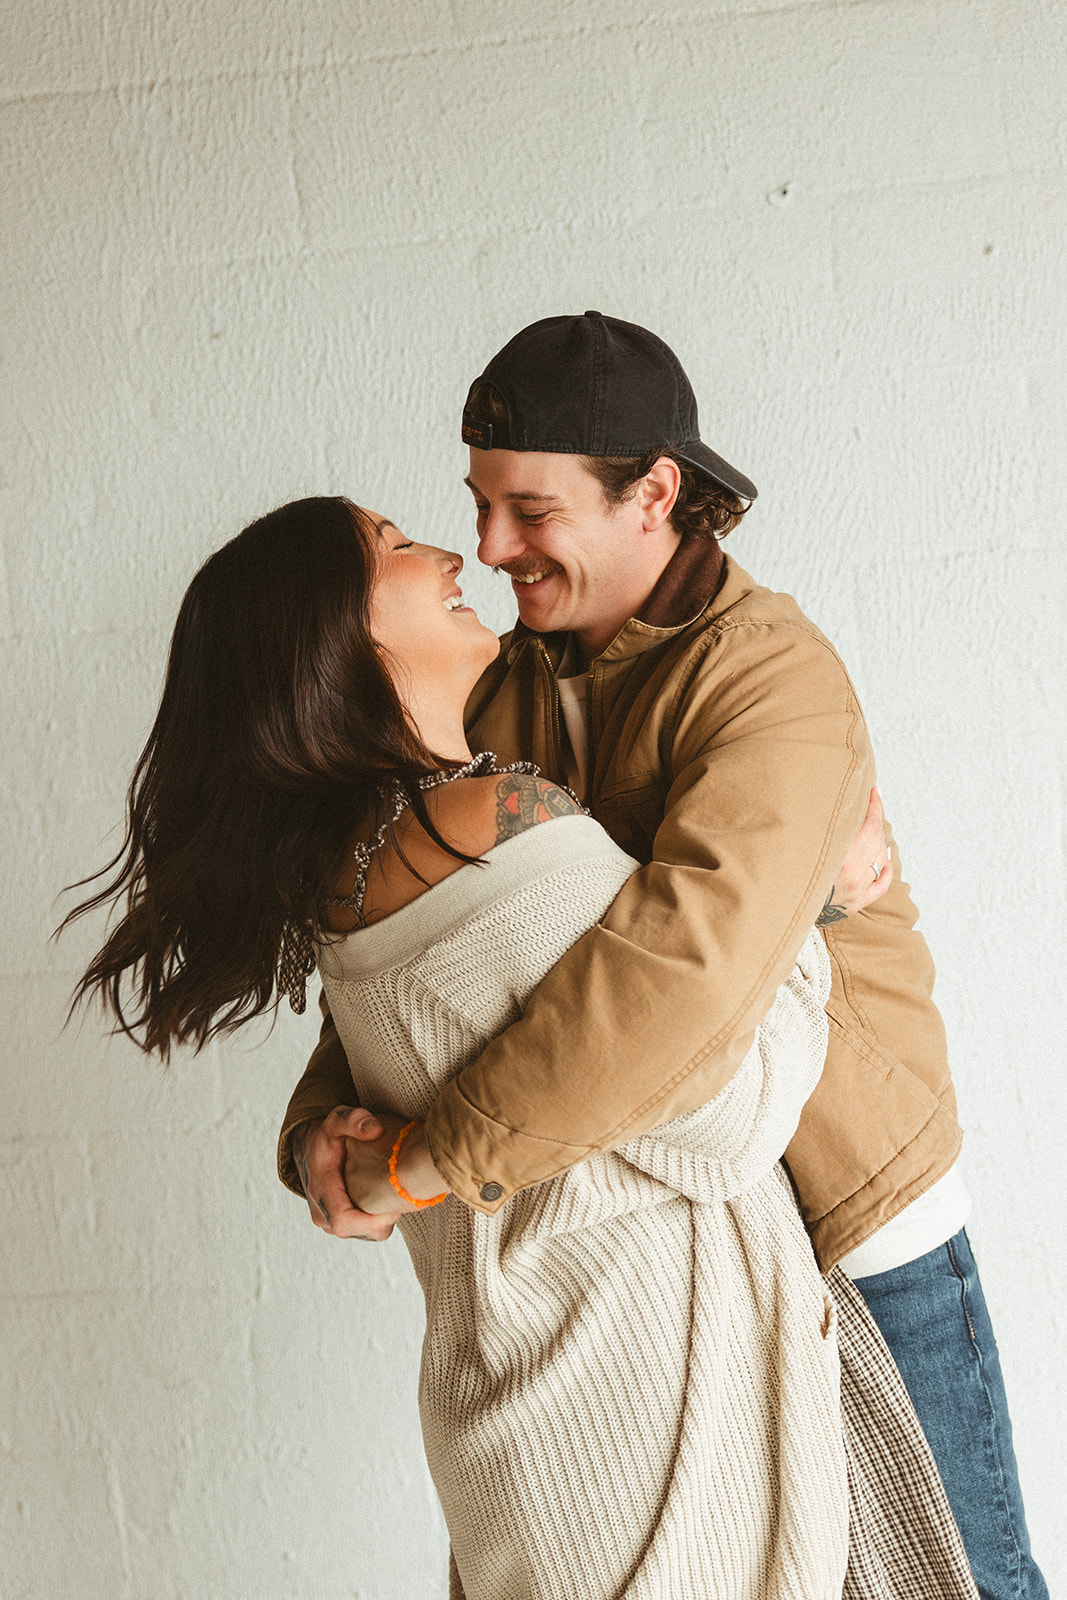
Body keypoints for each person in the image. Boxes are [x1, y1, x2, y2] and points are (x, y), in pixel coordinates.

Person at [64, 495, 978, 1599]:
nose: (457, 550)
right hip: (637, 1435)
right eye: (396, 547)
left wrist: (315, 1132)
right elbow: (731, 1116)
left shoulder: (352, 879)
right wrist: (805, 907)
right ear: (339, 637)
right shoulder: (504, 830)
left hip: (528, 1435)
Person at [280, 314, 1047, 1600]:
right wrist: (318, 1117)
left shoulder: (768, 679)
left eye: (528, 509)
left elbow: (674, 986)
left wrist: (421, 1161)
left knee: (960, 1581)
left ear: (654, 494)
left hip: (846, 1210)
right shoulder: (501, 682)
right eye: (476, 505)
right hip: (663, 1241)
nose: (486, 548)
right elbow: (437, 939)